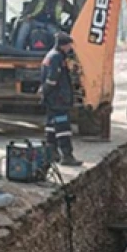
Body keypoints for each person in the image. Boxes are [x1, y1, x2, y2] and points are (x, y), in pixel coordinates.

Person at [40, 32, 82, 167]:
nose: (70, 47)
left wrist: (44, 94)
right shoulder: (57, 58)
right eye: (69, 45)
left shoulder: (50, 55)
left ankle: (51, 153)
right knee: (63, 127)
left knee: (51, 126)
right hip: (59, 99)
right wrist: (46, 92)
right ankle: (67, 155)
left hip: (53, 99)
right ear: (64, 45)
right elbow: (53, 79)